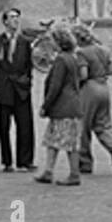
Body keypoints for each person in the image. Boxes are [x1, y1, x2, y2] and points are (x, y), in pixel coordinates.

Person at [0, 8, 36, 172]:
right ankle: (7, 161)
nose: (16, 20)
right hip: (4, 88)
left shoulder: (25, 42)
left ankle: (25, 160)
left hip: (21, 89)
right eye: (12, 17)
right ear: (5, 21)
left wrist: (28, 83)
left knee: (25, 125)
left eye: (17, 17)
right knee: (4, 126)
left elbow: (29, 66)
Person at [75, 22, 112, 175]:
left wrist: (75, 83)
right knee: (103, 124)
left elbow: (83, 74)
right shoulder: (104, 50)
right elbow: (111, 70)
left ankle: (85, 161)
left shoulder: (81, 53)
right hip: (104, 87)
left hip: (89, 89)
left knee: (83, 126)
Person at [34, 24, 82, 186]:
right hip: (71, 104)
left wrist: (45, 105)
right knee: (53, 140)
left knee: (67, 142)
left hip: (63, 106)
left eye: (53, 40)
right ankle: (48, 171)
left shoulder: (61, 60)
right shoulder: (73, 57)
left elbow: (55, 86)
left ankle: (74, 174)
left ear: (59, 42)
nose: (51, 43)